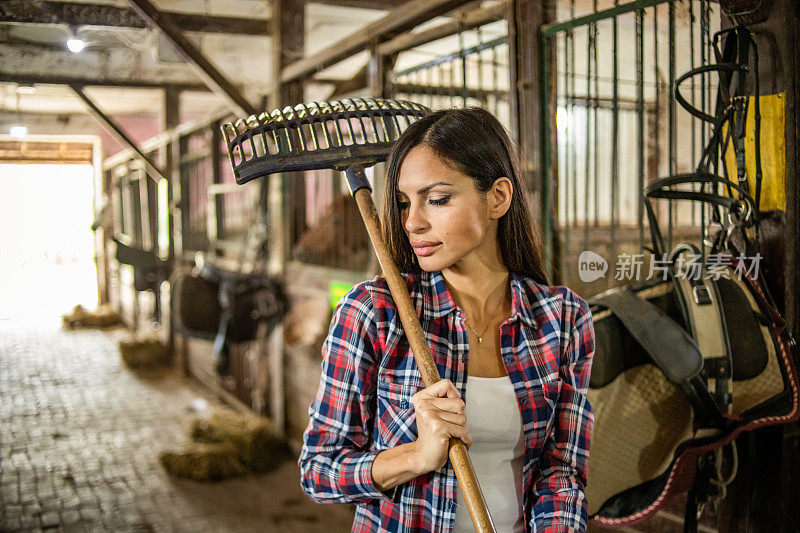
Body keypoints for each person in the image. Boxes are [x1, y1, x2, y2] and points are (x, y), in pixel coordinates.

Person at [299, 107, 595, 533]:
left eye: (437, 199)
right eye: (404, 202)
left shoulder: (564, 319)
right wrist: (416, 456)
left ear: (498, 197)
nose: (412, 222)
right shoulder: (374, 312)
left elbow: (562, 472)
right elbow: (317, 471)